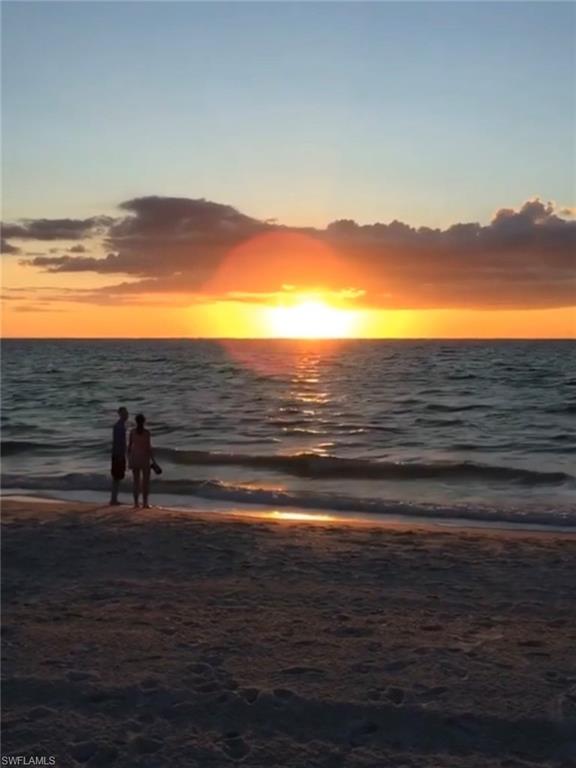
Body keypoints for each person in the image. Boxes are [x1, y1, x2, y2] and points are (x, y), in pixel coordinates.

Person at [128, 413, 154, 508]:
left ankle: (136, 503)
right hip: (144, 459)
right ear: (144, 421)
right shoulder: (147, 433)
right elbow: (148, 448)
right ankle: (145, 503)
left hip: (135, 458)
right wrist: (153, 460)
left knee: (136, 481)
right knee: (145, 482)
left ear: (136, 421)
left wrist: (129, 459)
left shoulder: (132, 432)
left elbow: (130, 447)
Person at [110, 406, 129, 505]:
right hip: (118, 454)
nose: (127, 415)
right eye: (125, 413)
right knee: (117, 477)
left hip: (118, 453)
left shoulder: (121, 426)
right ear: (121, 414)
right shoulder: (119, 426)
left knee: (117, 477)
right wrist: (120, 455)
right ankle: (113, 499)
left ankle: (114, 498)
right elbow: (118, 442)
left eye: (127, 413)